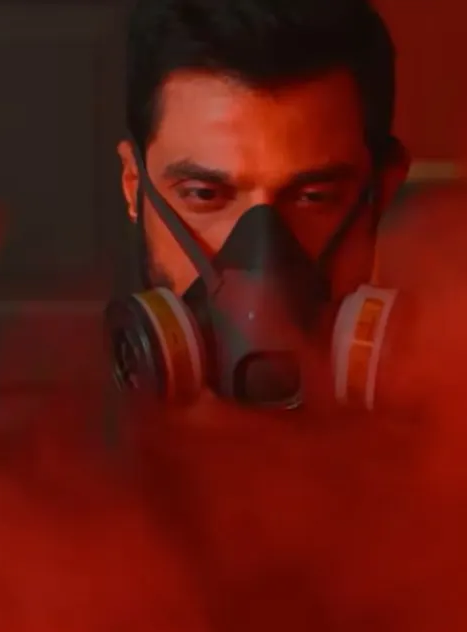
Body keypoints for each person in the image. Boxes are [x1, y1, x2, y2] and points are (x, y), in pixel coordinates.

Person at [104, 0, 411, 422]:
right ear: (133, 186)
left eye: (313, 197)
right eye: (204, 194)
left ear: (385, 190)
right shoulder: (45, 452)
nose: (261, 263)